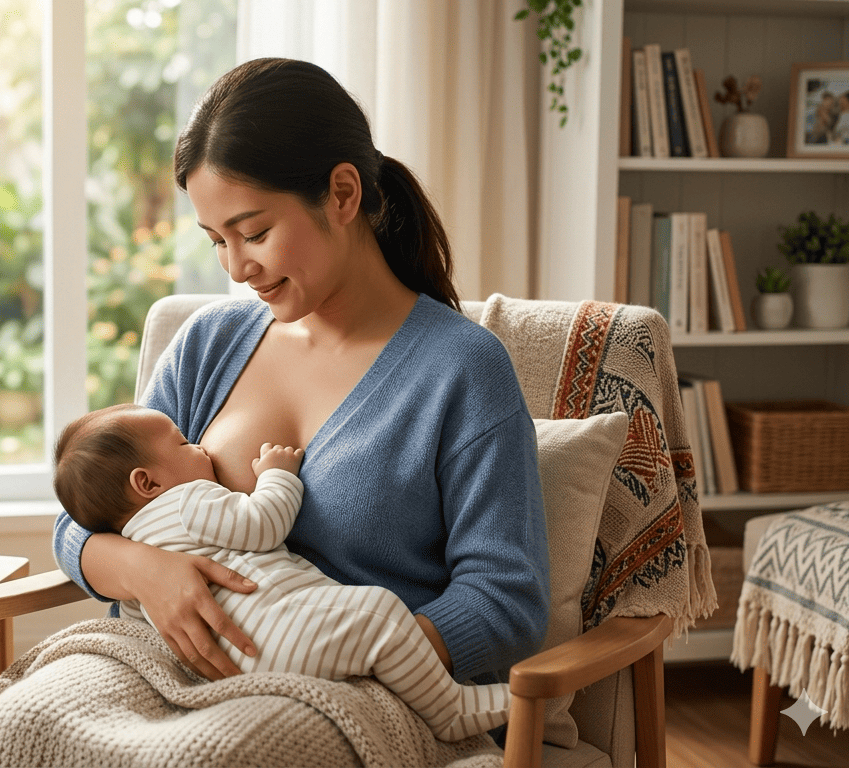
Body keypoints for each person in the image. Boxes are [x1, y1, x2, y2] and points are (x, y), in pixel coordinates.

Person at [53, 58, 549, 708]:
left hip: (361, 701)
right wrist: (145, 570)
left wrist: (354, 664)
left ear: (343, 195)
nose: (236, 267)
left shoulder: (460, 368)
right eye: (216, 242)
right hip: (164, 683)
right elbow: (83, 516)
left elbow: (506, 597)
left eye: (254, 232)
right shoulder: (209, 345)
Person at [53, 402, 512, 740]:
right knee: (381, 614)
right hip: (289, 634)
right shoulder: (189, 500)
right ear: (147, 483)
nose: (199, 447)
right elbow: (261, 525)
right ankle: (446, 707)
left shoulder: (134, 531)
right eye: (183, 442)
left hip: (231, 667)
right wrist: (278, 475)